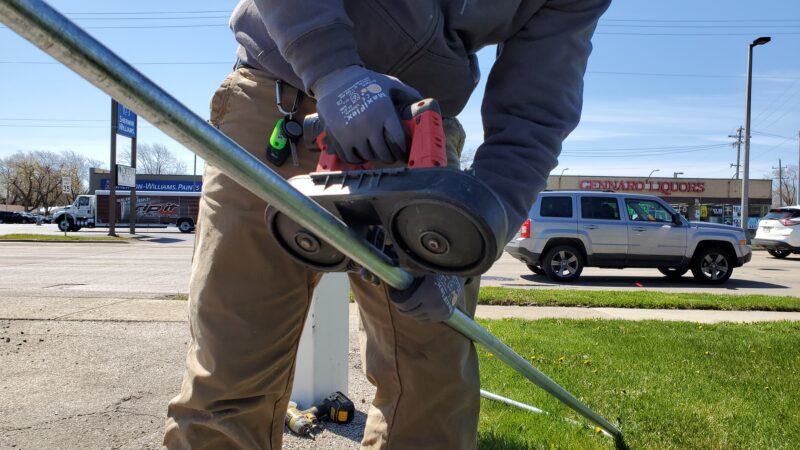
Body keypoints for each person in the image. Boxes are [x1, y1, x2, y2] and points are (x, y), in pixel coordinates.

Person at [164, 0, 610, 448]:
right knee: (231, 374)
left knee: (430, 391)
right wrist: (332, 70)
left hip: (420, 142)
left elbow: (534, 116)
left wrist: (470, 240)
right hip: (281, 100)